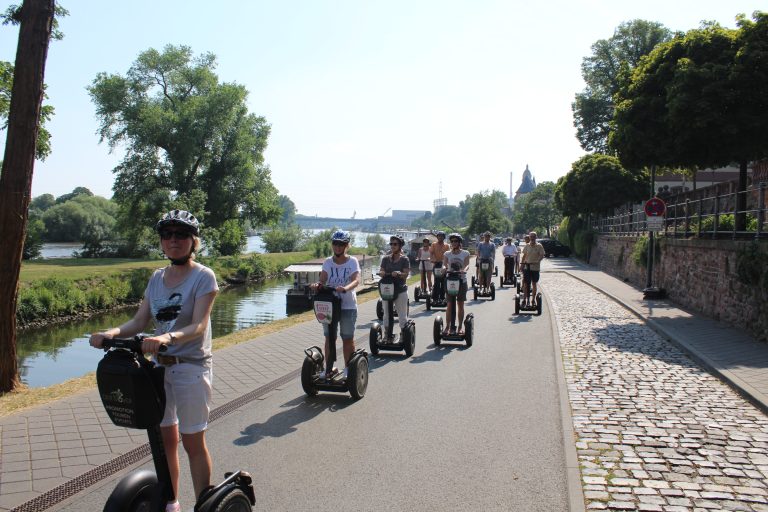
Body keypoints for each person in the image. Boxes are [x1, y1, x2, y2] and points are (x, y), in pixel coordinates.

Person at [90, 210, 218, 512]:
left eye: (181, 235)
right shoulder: (157, 278)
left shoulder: (203, 276)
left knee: (192, 442)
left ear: (193, 241)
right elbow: (139, 321)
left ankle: (203, 505)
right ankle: (172, 503)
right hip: (159, 369)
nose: (173, 240)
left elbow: (199, 325)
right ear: (161, 241)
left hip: (191, 367)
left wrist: (166, 338)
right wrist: (109, 332)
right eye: (167, 235)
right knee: (165, 441)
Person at [312, 230, 360, 378]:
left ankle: (348, 369)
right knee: (329, 337)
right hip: (330, 305)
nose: (338, 247)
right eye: (335, 244)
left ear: (346, 246)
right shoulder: (327, 262)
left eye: (341, 244)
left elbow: (356, 279)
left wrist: (346, 288)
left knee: (347, 338)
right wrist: (317, 285)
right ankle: (329, 368)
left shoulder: (352, 261)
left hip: (347, 305)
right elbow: (323, 280)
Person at [379, 235, 410, 341]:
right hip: (387, 289)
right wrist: (381, 273)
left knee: (402, 314)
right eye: (391, 244)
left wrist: (399, 273)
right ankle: (387, 334)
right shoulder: (385, 259)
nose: (392, 246)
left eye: (395, 244)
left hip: (400, 289)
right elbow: (382, 270)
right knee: (386, 314)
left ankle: (403, 335)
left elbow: (406, 274)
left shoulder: (404, 259)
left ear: (400, 246)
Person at [442, 233, 470, 335]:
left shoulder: (465, 253)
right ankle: (448, 326)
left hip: (461, 281)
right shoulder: (447, 254)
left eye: (455, 241)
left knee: (460, 304)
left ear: (459, 242)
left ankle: (459, 327)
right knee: (449, 304)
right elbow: (444, 264)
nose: (453, 243)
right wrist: (444, 269)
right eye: (452, 241)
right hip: (450, 280)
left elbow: (467, 265)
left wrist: (463, 270)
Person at [520, 231, 546, 306]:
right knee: (526, 284)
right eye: (531, 237)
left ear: (536, 237)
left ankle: (533, 300)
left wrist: (538, 260)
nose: (532, 238)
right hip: (527, 267)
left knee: (534, 283)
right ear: (529, 237)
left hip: (535, 268)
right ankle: (524, 299)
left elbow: (542, 255)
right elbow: (524, 256)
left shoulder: (539, 246)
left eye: (533, 237)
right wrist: (521, 265)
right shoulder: (527, 246)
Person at [429, 231, 449, 301]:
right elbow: (431, 253)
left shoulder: (447, 245)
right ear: (437, 237)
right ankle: (435, 298)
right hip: (436, 264)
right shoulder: (434, 244)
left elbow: (449, 255)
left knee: (443, 281)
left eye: (441, 236)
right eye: (439, 236)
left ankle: (442, 297)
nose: (440, 237)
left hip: (444, 265)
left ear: (444, 237)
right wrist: (432, 259)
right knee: (436, 281)